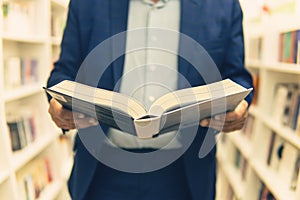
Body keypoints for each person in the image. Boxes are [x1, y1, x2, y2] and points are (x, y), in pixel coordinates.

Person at [47, 0, 253, 199]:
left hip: (185, 173)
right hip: (102, 170)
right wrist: (58, 102)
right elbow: (65, 71)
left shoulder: (224, 5)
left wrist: (240, 104)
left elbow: (237, 76)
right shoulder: (86, 3)